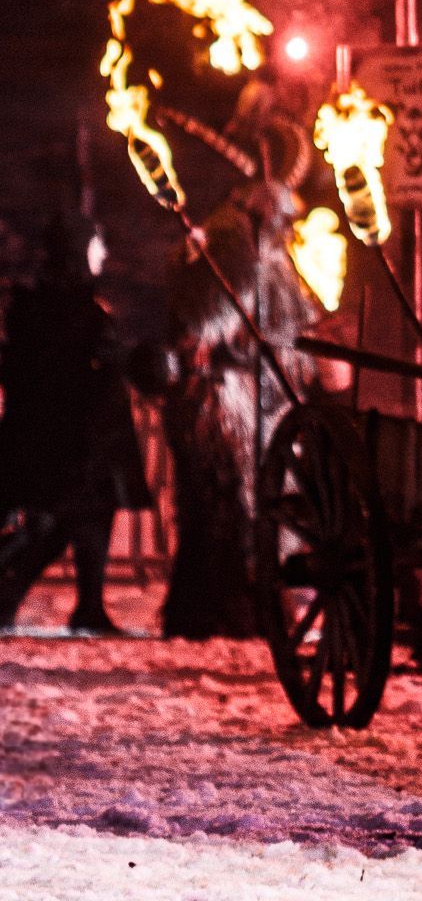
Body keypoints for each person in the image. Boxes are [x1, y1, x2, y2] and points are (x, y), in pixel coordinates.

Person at [155, 81, 317, 639]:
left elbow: (292, 323)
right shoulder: (233, 242)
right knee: (233, 508)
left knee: (259, 506)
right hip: (225, 398)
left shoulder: (270, 251)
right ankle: (225, 612)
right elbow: (209, 316)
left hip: (264, 398)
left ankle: (239, 608)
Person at [0, 213, 150, 634]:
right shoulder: (61, 308)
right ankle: (10, 595)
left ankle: (89, 606)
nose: (103, 253)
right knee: (62, 520)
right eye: (95, 245)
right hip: (68, 434)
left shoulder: (62, 304)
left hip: (84, 434)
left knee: (89, 517)